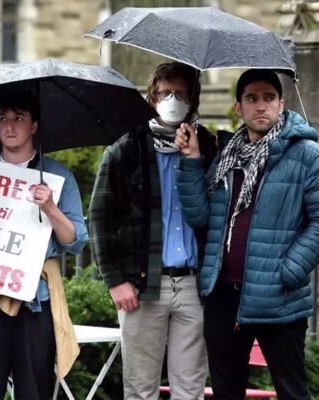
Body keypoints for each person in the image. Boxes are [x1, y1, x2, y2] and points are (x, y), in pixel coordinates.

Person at [176, 68, 318, 399]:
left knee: (292, 391)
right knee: (227, 392)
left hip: (278, 298)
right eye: (251, 98)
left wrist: (289, 270)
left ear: (281, 104)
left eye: (268, 98)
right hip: (224, 296)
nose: (260, 106)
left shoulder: (306, 155)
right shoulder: (227, 156)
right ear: (238, 107)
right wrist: (192, 160)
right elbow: (200, 216)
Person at [0, 90, 88, 400]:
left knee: (34, 389)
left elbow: (75, 241)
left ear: (34, 125)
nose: (10, 126)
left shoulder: (59, 176)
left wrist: (51, 207)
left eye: (19, 118)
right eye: (3, 119)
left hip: (37, 300)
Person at [89, 62, 216, 399]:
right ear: (151, 97)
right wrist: (115, 279)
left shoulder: (210, 146)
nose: (171, 99)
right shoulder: (126, 148)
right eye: (163, 93)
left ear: (193, 100)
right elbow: (99, 218)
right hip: (143, 284)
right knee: (140, 388)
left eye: (180, 93)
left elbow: (217, 216)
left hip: (194, 285)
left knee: (189, 388)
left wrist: (195, 158)